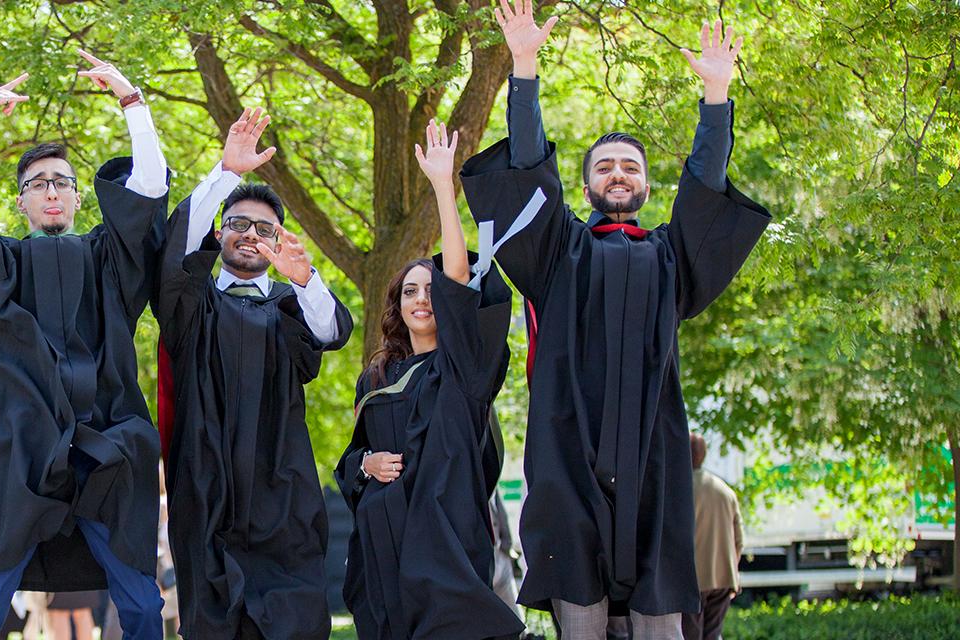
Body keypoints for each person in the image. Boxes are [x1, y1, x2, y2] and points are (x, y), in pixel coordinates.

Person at [462, 2, 771, 637]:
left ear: (649, 187)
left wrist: (717, 97)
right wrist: (524, 69)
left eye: (631, 165)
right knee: (580, 603)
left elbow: (705, 192)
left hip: (654, 453)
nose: (619, 173)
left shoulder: (669, 258)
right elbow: (528, 172)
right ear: (586, 186)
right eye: (605, 166)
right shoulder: (559, 253)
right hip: (569, 450)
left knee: (660, 611)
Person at [0, 50, 170, 639]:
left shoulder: (107, 259)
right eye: (37, 184)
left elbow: (148, 193)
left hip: (107, 438)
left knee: (139, 597)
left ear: (81, 197)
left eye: (62, 182)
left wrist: (132, 102)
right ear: (20, 201)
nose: (51, 192)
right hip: (18, 446)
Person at [154, 107, 351, 639]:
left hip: (280, 489)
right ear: (220, 232)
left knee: (291, 619)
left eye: (264, 228)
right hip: (206, 484)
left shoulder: (291, 307)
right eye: (237, 223)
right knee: (213, 619)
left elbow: (331, 332)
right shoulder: (190, 305)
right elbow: (178, 246)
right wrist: (227, 174)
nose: (249, 234)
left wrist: (306, 277)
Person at [335, 121, 523, 640]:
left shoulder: (463, 368)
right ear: (396, 306)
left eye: (430, 289)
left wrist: (444, 187)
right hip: (383, 546)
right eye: (409, 292)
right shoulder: (377, 377)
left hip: (444, 542)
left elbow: (460, 281)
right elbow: (350, 460)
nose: (422, 299)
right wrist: (366, 464)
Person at [683, 434, 741, 640]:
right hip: (723, 576)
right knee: (713, 634)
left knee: (691, 635)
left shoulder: (679, 490)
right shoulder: (725, 491)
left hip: (692, 578)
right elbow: (738, 540)